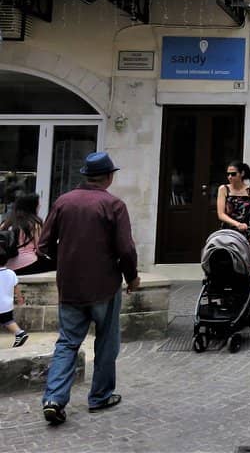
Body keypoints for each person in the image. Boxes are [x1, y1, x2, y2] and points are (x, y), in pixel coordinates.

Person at [39, 151, 140, 426]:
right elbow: (126, 249)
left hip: (70, 286)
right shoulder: (114, 204)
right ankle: (100, 396)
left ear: (85, 175)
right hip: (104, 285)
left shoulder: (63, 201)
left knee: (67, 342)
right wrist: (131, 277)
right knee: (107, 342)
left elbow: (44, 246)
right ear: (108, 177)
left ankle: (54, 399)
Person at [0, 193, 54, 275]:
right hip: (28, 264)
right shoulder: (34, 223)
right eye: (38, 203)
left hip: (7, 265)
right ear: (32, 206)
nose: (40, 206)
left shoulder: (6, 223)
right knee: (55, 265)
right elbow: (39, 249)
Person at [216, 161, 250, 247]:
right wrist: (237, 224)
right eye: (228, 174)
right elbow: (221, 214)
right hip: (227, 232)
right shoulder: (224, 189)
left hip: (245, 232)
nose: (230, 177)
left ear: (242, 173)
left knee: (245, 258)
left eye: (233, 174)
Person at [0, 244, 28, 347]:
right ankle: (20, 333)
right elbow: (16, 287)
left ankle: (20, 333)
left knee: (7, 321)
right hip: (7, 305)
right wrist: (20, 299)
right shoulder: (11, 273)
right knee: (7, 320)